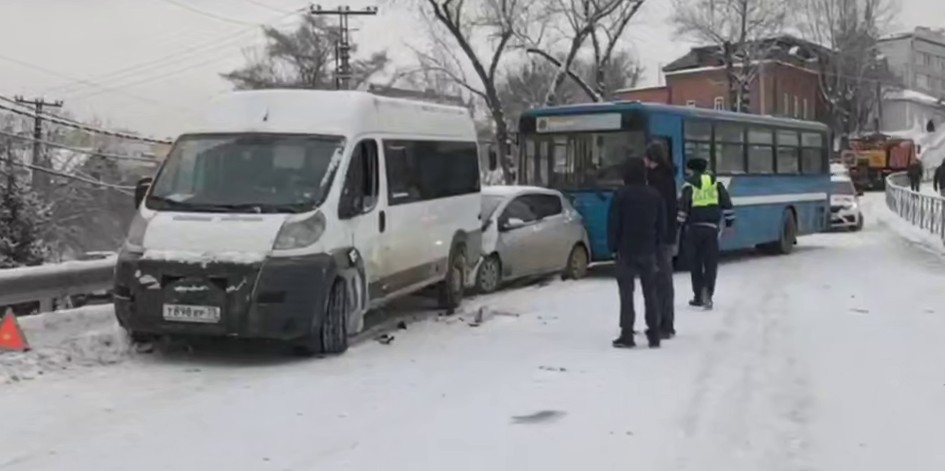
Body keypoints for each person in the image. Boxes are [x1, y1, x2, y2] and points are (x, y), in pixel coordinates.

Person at [608, 157, 666, 349]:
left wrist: (613, 247)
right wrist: (657, 245)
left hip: (626, 250)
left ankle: (627, 334)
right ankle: (654, 334)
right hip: (648, 250)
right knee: (651, 293)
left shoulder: (621, 195)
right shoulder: (654, 195)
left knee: (626, 294)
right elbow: (661, 224)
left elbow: (614, 223)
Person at [676, 158, 735, 310]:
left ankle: (697, 296)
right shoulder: (717, 184)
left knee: (695, 263)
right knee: (710, 263)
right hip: (711, 229)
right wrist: (729, 224)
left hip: (693, 229)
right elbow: (727, 205)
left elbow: (683, 209)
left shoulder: (688, 185)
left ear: (692, 169)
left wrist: (678, 225)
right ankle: (708, 292)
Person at [643, 141, 678, 339]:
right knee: (661, 280)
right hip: (666, 235)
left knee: (660, 280)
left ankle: (664, 324)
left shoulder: (658, 181)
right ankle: (663, 322)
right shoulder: (667, 177)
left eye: (646, 157)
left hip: (660, 237)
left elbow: (661, 211)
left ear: (652, 159)